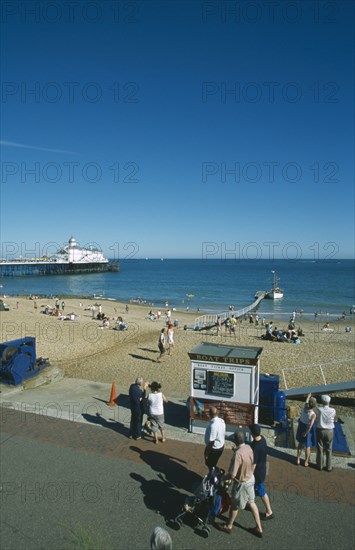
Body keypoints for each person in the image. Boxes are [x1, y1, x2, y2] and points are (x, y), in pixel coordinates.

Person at [218, 431, 263, 538]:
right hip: (250, 478)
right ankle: (259, 528)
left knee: (234, 505)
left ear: (234, 440)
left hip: (241, 483)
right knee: (252, 503)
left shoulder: (238, 454)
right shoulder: (248, 447)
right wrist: (236, 450)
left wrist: (222, 478)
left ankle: (228, 526)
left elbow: (233, 474)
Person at [249, 424, 273, 520]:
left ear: (252, 434)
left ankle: (269, 511)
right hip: (263, 467)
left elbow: (253, 464)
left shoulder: (256, 447)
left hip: (258, 472)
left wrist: (249, 474)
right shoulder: (263, 439)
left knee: (262, 491)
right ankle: (250, 501)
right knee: (256, 488)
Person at [316, 395, 336, 472]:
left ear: (322, 402)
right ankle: (328, 467)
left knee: (320, 448)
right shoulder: (333, 410)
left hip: (320, 430)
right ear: (329, 402)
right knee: (329, 449)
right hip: (330, 430)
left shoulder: (319, 409)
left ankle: (320, 465)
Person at [296, 393, 317, 467]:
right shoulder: (313, 414)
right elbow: (310, 425)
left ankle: (298, 459)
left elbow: (306, 401)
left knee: (300, 444)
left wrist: (309, 395)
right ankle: (306, 461)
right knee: (308, 446)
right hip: (306, 428)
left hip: (301, 425)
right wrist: (306, 432)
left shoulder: (305, 407)